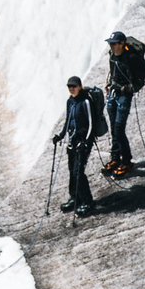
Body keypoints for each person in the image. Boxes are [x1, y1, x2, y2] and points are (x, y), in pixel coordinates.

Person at [104, 31, 145, 176]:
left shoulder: (132, 57)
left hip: (125, 94)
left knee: (119, 128)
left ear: (122, 44)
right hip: (115, 92)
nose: (112, 45)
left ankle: (126, 161)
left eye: (114, 43)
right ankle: (115, 158)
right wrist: (110, 84)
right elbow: (113, 71)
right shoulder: (112, 54)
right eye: (111, 43)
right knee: (114, 128)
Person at [52, 76, 96, 217]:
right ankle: (75, 198)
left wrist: (85, 141)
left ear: (80, 86)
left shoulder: (86, 101)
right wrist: (61, 135)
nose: (71, 89)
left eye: (74, 86)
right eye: (69, 86)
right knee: (72, 171)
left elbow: (91, 124)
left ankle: (88, 202)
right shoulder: (70, 102)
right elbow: (68, 121)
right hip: (72, 142)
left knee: (78, 172)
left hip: (83, 143)